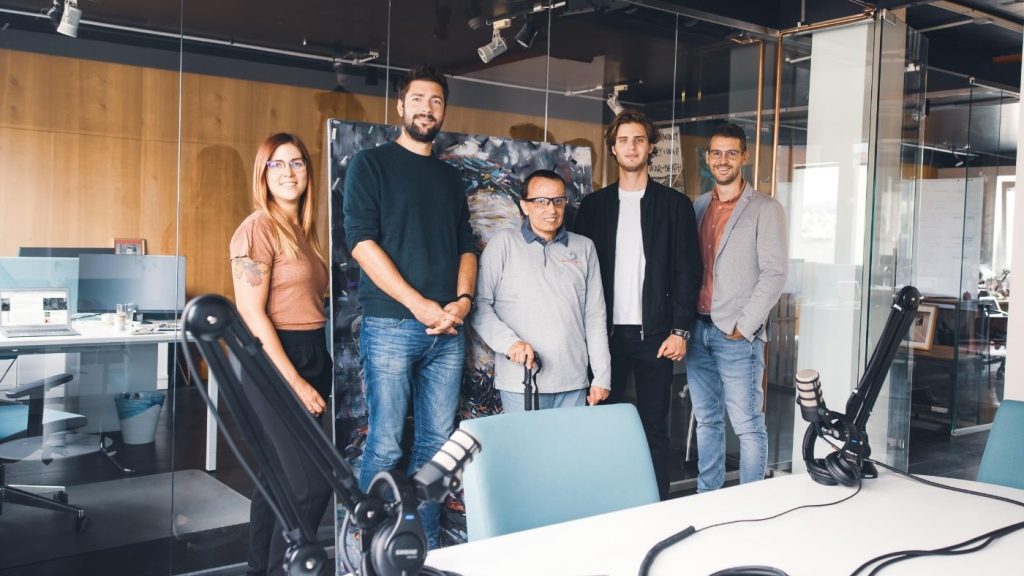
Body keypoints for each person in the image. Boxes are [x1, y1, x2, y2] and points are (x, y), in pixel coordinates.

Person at [343, 64, 477, 548]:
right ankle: (369, 552)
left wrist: (463, 301)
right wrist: (419, 304)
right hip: (392, 325)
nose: (427, 108)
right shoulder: (370, 164)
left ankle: (424, 549)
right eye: (418, 99)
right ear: (400, 106)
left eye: (436, 101)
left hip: (448, 330)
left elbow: (466, 245)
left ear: (444, 111)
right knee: (384, 445)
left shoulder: (449, 177)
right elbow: (361, 243)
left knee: (437, 448)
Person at [573, 109, 701, 499]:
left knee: (654, 428)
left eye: (639, 140)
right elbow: (578, 273)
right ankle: (605, 501)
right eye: (624, 140)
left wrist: (681, 330)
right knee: (602, 425)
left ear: (650, 148)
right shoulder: (593, 206)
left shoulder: (675, 205)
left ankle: (654, 504)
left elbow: (688, 270)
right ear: (613, 149)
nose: (631, 147)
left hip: (656, 335)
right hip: (604, 335)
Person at [230, 132, 332, 576]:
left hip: (311, 352)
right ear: (263, 173)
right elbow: (252, 313)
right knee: (309, 485)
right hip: (275, 362)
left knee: (274, 480)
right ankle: (284, 569)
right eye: (277, 164)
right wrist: (295, 381)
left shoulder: (304, 233)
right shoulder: (256, 229)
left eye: (297, 163)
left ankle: (261, 568)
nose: (288, 173)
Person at [685, 122, 787, 493]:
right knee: (707, 421)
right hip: (697, 330)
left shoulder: (765, 208)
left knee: (747, 426)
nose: (723, 160)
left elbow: (775, 273)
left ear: (744, 156)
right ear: (707, 158)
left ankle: (751, 505)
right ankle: (707, 497)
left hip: (736, 336)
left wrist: (744, 327)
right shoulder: (697, 206)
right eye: (716, 153)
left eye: (731, 153)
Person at [473, 169, 611, 412]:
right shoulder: (504, 243)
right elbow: (480, 306)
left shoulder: (584, 247)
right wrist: (510, 344)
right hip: (521, 381)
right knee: (525, 440)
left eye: (558, 201)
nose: (551, 209)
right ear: (524, 206)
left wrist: (601, 376)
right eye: (541, 201)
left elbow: (595, 316)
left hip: (573, 382)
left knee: (571, 440)